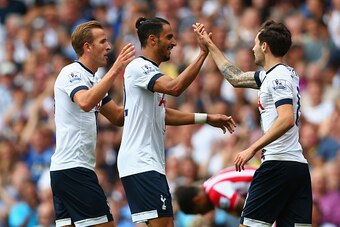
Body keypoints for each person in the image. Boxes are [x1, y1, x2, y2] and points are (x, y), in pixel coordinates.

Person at [117, 17, 236, 227]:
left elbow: (162, 114)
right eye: (169, 37)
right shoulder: (139, 67)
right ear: (152, 40)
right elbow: (175, 87)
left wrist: (206, 118)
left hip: (141, 162)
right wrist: (203, 54)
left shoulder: (149, 72)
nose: (174, 43)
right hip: (142, 162)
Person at [193, 20, 312, 226]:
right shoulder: (277, 74)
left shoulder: (278, 77)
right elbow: (236, 78)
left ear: (265, 46)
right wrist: (210, 45)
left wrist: (252, 148)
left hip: (277, 164)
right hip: (297, 168)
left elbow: (286, 119)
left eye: (256, 43)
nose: (253, 48)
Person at [50, 20, 135, 227]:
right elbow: (85, 102)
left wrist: (140, 95)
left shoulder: (93, 80)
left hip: (67, 171)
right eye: (103, 41)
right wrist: (116, 69)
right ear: (87, 47)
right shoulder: (72, 72)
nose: (109, 47)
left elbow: (116, 116)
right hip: (74, 170)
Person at [175, 166, 256, 216]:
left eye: (199, 211)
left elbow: (247, 208)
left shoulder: (214, 193)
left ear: (197, 200)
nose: (203, 214)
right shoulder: (211, 182)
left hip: (265, 183)